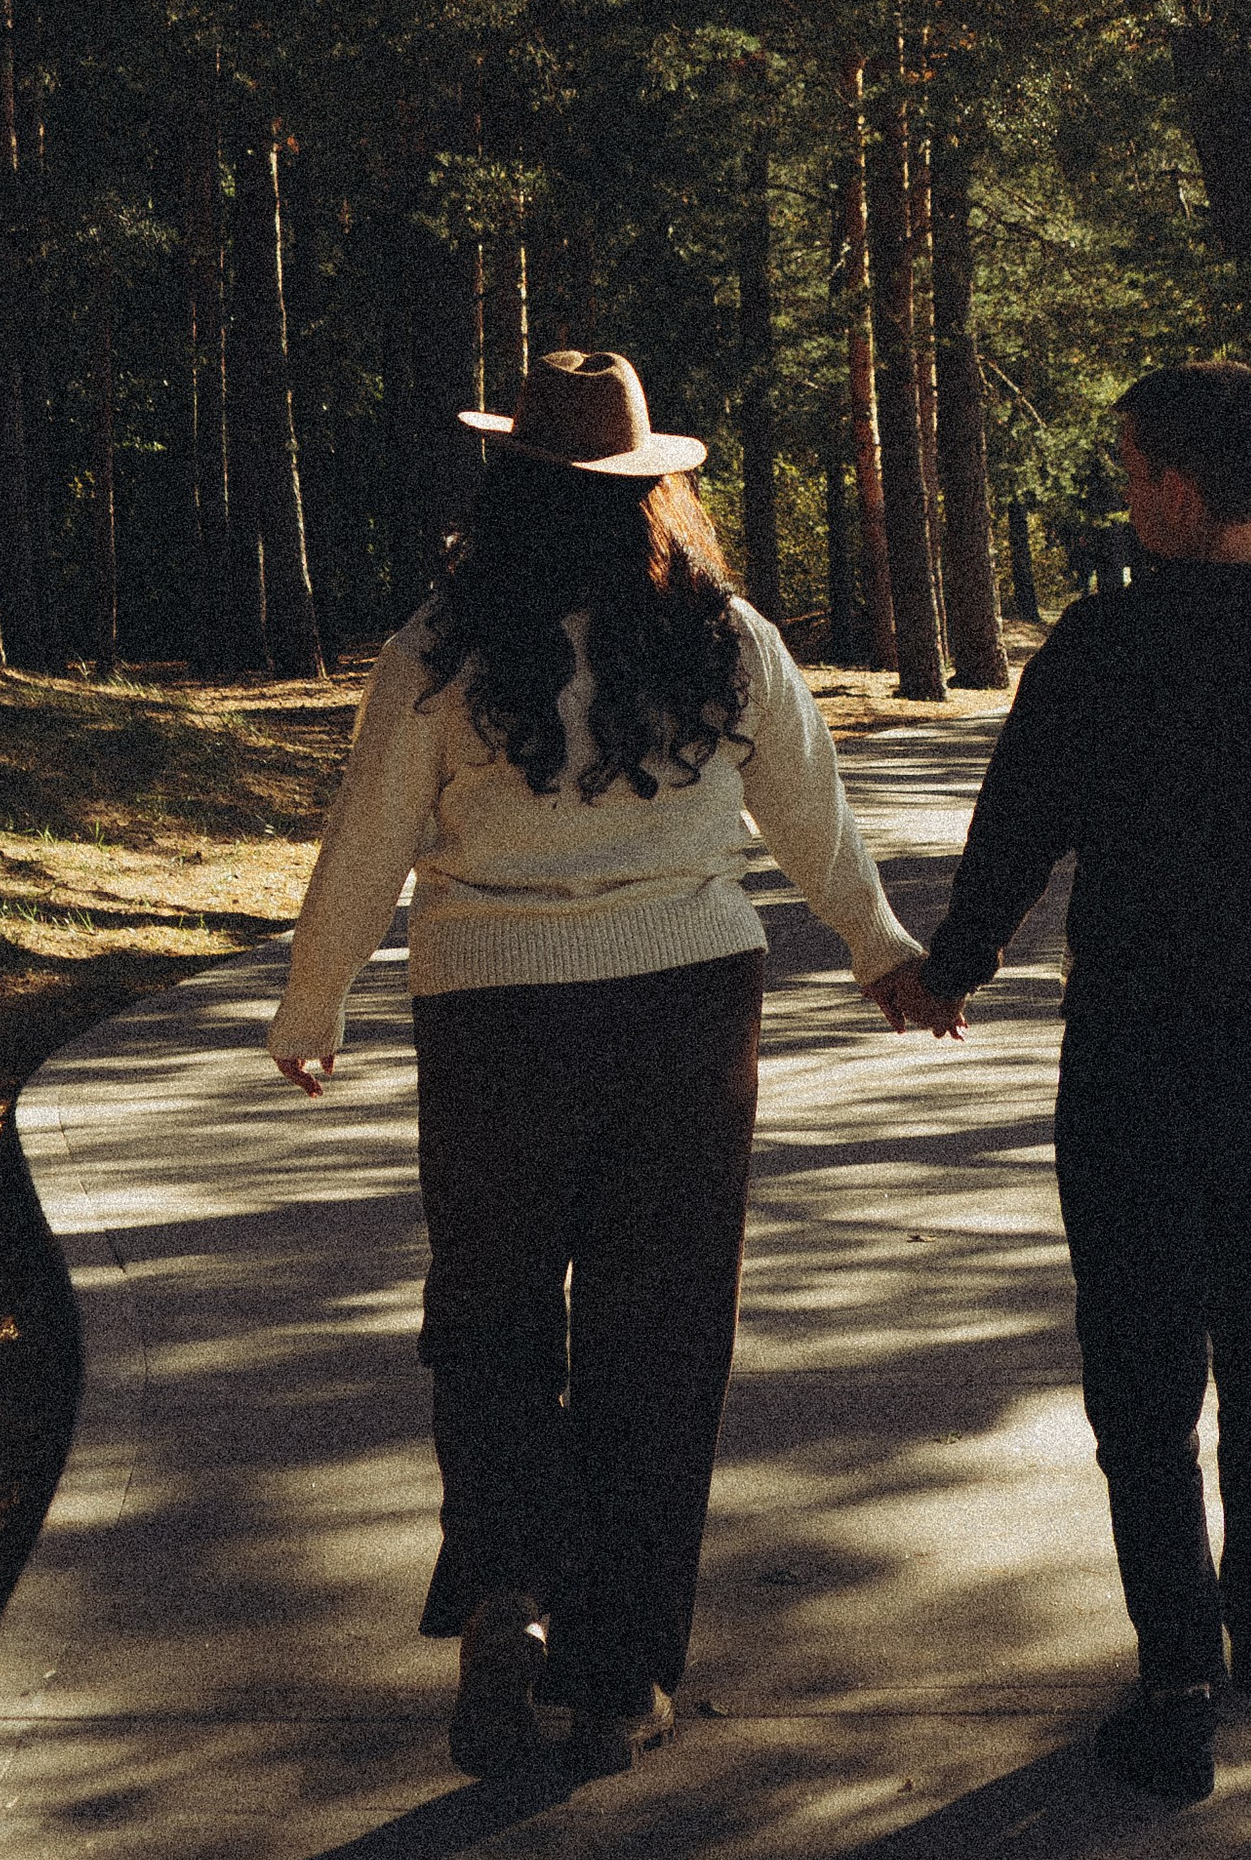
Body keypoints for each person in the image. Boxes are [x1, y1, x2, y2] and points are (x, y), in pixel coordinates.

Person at [267, 348, 927, 1785]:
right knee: (662, 1337)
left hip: (494, 1016)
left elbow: (369, 837)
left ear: (508, 485)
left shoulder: (440, 647)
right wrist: (879, 950)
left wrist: (313, 1008)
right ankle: (620, 1674)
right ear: (650, 491)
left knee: (492, 1316)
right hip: (686, 1017)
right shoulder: (721, 636)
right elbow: (811, 810)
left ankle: (507, 1586)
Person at [881, 358, 1251, 1806]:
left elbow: (1017, 833)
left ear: (1180, 489)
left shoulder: (1100, 648)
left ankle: (1175, 1667)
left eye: (1129, 471)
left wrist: (951, 971)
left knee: (1138, 1358)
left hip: (1128, 1048)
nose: (1123, 496)